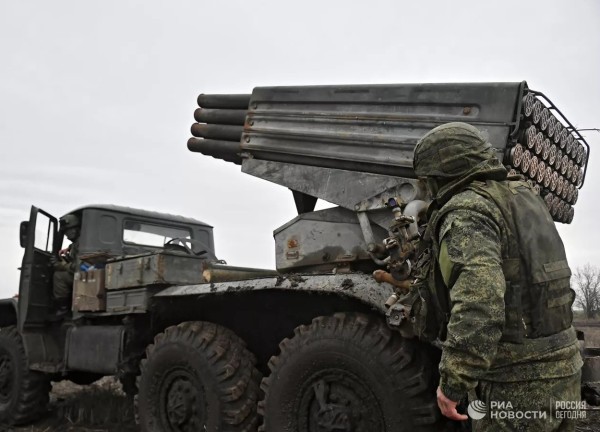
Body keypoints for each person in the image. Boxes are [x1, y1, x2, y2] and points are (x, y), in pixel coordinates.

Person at [412, 122, 583, 431]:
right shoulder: (524, 194)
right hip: (565, 368)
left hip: (517, 384)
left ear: (441, 173)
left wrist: (453, 383)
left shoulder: (469, 209)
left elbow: (481, 303)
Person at [51, 214, 80, 317]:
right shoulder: (78, 243)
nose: (66, 236)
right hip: (82, 275)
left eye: (67, 232)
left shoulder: (81, 243)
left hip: (82, 276)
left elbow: (79, 267)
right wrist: (68, 249)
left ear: (73, 230)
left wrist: (63, 265)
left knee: (59, 276)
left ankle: (63, 309)